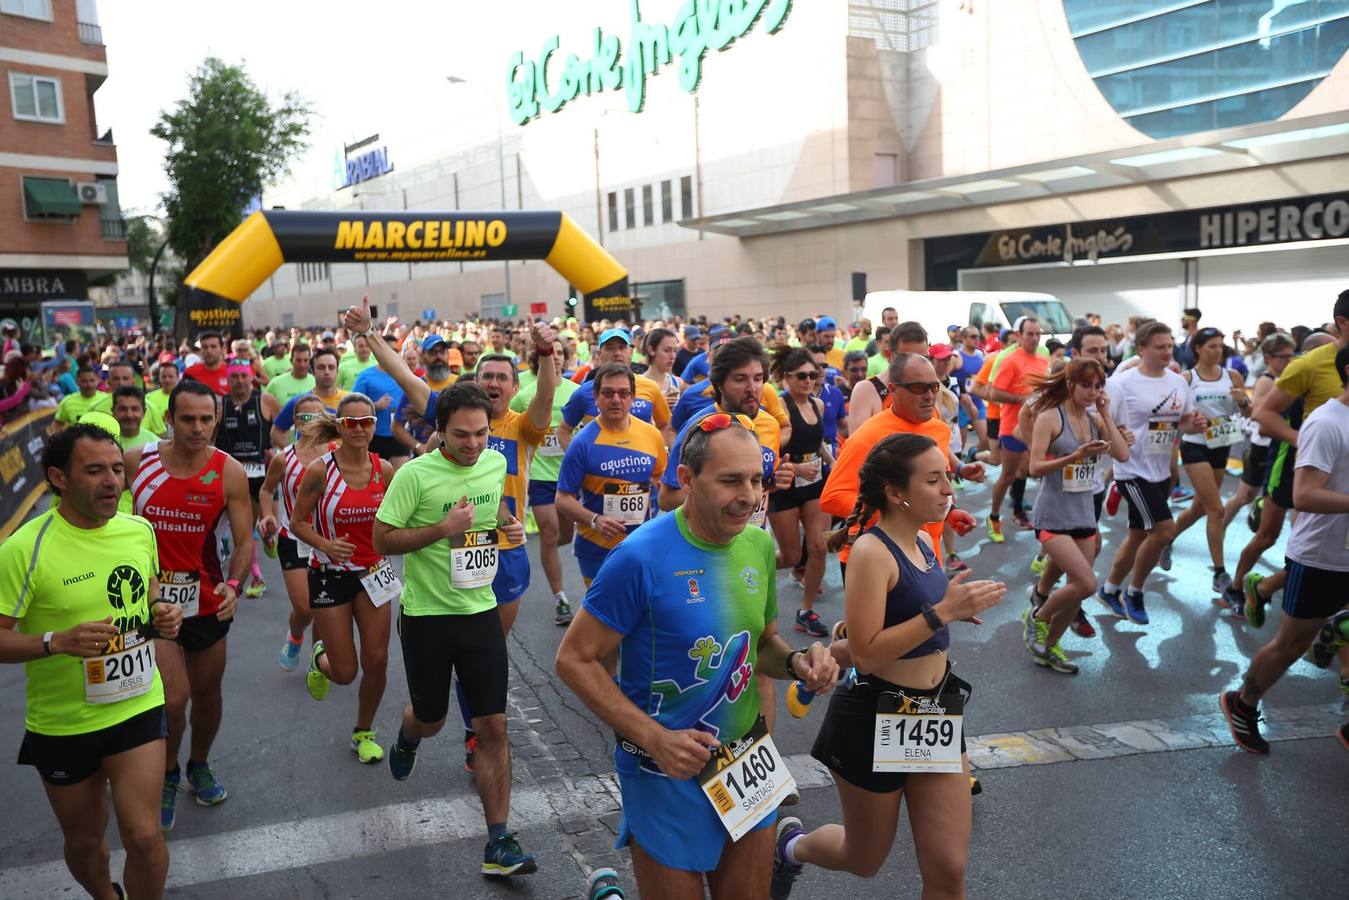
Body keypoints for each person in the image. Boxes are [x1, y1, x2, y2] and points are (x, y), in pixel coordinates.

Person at [555, 415, 839, 900]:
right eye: (730, 480)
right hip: (664, 769)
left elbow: (763, 641)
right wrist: (654, 737)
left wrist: (797, 663)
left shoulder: (756, 545)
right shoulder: (638, 556)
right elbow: (574, 659)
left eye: (755, 479)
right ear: (686, 479)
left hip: (746, 760)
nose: (749, 496)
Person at [771, 433, 1006, 899]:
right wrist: (941, 613)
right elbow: (867, 653)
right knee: (864, 857)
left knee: (948, 871)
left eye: (948, 478)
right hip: (876, 715)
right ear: (897, 492)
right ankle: (791, 849)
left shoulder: (923, 539)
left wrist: (949, 607)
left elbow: (912, 611)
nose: (948, 489)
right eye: (934, 480)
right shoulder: (871, 552)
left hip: (933, 715)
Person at [0, 424, 183, 900]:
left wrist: (162, 613)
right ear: (59, 477)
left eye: (118, 469)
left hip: (136, 704)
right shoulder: (24, 549)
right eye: (95, 470)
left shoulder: (138, 529)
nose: (111, 481)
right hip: (63, 723)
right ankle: (106, 895)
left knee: (143, 836)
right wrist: (53, 642)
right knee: (84, 845)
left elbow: (149, 595)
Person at [373, 382, 537, 877]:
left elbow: (494, 514)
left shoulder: (493, 462)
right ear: (439, 430)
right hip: (427, 618)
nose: (472, 445)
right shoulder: (416, 476)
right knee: (433, 719)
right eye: (461, 435)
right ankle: (408, 734)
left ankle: (498, 843)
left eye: (481, 434)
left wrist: (507, 526)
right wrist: (442, 530)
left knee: (493, 725)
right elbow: (382, 539)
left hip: (479, 611)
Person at [126, 380, 255, 830]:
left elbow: (244, 543)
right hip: (150, 602)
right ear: (169, 419)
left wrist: (234, 585)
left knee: (206, 696)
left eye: (206, 418)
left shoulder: (229, 472)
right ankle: (167, 772)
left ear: (216, 418)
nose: (198, 428)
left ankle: (198, 764)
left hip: (205, 600)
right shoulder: (135, 461)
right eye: (188, 419)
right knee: (174, 699)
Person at [1219, 342, 1349, 753]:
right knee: (1289, 646)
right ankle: (1243, 701)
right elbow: (1306, 495)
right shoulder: (1327, 424)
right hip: (1322, 557)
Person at [1224, 293, 1349, 622]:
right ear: (1342, 323)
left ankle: (1321, 627)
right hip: (1296, 464)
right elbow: (1263, 415)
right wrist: (1302, 440)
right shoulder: (1309, 363)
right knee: (1268, 536)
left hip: (1340, 469)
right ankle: (1239, 587)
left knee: (1330, 551)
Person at [286, 395, 396, 764]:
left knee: (377, 661)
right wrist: (325, 544)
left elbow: (399, 520)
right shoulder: (320, 470)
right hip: (329, 576)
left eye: (367, 421)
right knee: (346, 673)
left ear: (375, 425)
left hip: (375, 574)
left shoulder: (385, 471)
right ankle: (320, 660)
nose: (360, 428)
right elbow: (297, 522)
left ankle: (363, 731)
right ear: (340, 426)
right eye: (352, 423)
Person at [822, 352, 985, 581]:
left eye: (933, 387)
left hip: (927, 556)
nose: (929, 396)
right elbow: (832, 497)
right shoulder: (868, 436)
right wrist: (898, 515)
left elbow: (930, 487)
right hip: (876, 561)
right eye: (918, 388)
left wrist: (948, 512)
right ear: (893, 390)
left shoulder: (939, 429)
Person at [1021, 359, 1128, 672]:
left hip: (1083, 514)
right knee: (1086, 583)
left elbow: (1121, 455)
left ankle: (1048, 646)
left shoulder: (1096, 419)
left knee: (1077, 592)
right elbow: (1035, 467)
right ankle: (1037, 617)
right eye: (1086, 386)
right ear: (1070, 385)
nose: (1093, 392)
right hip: (1053, 515)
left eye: (1098, 386)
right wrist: (1074, 456)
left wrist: (1106, 413)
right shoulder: (1050, 417)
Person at [1097, 322, 1205, 625]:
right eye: (1160, 347)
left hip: (1160, 471)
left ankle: (1108, 589)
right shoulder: (1122, 383)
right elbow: (1104, 422)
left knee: (1136, 536)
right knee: (1163, 531)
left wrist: (1191, 425)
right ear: (1141, 349)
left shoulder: (1178, 383)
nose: (1167, 352)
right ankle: (1135, 591)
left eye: (1170, 346)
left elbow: (1180, 422)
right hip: (1131, 469)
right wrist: (1116, 435)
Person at [556, 363, 667, 588]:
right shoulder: (582, 442)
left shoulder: (651, 434)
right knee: (600, 617)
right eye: (608, 393)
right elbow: (562, 499)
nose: (616, 399)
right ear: (596, 397)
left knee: (640, 612)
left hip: (641, 544)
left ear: (633, 397)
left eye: (623, 393)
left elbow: (661, 481)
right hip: (596, 547)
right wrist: (595, 520)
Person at [1166, 327, 1253, 594]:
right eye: (1212, 346)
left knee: (1199, 508)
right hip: (1195, 447)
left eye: (1220, 346)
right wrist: (1189, 422)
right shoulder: (1187, 378)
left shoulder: (1233, 376)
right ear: (1198, 349)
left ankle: (1165, 539)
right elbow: (1173, 416)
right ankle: (1219, 573)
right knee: (1216, 509)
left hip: (1222, 443)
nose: (1217, 350)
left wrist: (1243, 403)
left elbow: (1250, 412)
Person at [259, 394, 329, 674]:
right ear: (296, 422)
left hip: (327, 541)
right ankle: (296, 635)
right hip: (293, 538)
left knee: (323, 606)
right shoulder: (283, 458)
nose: (311, 423)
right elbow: (266, 490)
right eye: (304, 417)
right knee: (305, 608)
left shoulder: (337, 453)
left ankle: (317, 660)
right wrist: (267, 516)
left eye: (316, 417)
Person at [511, 338, 580, 624]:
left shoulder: (578, 393)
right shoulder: (525, 396)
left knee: (565, 535)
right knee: (550, 534)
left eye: (562, 353)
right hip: (539, 476)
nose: (558, 358)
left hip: (569, 476)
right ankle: (560, 598)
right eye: (554, 354)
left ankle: (551, 551)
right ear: (540, 360)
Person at [767, 346, 834, 637]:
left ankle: (806, 611)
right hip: (784, 487)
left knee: (819, 546)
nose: (809, 381)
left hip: (814, 485)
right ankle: (749, 565)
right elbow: (768, 451)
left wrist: (834, 462)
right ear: (786, 378)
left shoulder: (817, 405)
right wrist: (794, 467)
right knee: (793, 556)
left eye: (814, 375)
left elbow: (817, 443)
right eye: (802, 376)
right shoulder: (778, 409)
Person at [216, 358, 281, 598]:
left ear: (251, 377)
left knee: (269, 526)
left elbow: (283, 431)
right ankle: (256, 576)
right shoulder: (220, 404)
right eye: (235, 377)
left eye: (244, 376)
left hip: (264, 476)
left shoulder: (265, 400)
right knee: (243, 532)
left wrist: (278, 451)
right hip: (235, 477)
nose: (240, 381)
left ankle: (266, 535)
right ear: (228, 379)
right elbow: (212, 439)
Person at [986, 317, 1048, 537]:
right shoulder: (1011, 360)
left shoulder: (1042, 360)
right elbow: (993, 393)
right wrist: (1022, 399)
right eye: (1029, 334)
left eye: (1037, 334)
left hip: (1036, 426)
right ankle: (993, 517)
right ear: (1019, 335)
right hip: (1012, 427)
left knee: (1026, 470)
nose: (1034, 338)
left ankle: (1019, 511)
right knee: (1007, 475)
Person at [559, 328, 673, 442]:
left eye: (622, 347)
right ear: (599, 354)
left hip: (641, 459)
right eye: (610, 348)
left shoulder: (650, 387)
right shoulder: (584, 392)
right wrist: (577, 458)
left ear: (631, 352)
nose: (617, 353)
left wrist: (658, 452)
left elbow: (665, 425)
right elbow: (564, 430)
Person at [847, 321, 929, 433]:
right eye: (907, 358)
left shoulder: (931, 390)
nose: (915, 365)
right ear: (889, 355)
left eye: (922, 359)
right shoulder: (867, 390)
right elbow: (859, 444)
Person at [269, 348, 348, 446]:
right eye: (321, 367)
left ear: (337, 371)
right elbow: (276, 432)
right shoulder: (300, 401)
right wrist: (293, 455)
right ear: (313, 371)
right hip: (309, 460)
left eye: (331, 367)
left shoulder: (349, 400)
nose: (327, 372)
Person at [353, 334, 410, 467]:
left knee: (401, 478)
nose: (393, 354)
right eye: (390, 350)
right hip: (374, 436)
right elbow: (354, 408)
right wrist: (376, 406)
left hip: (399, 435)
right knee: (376, 480)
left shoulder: (405, 373)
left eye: (396, 350)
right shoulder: (366, 376)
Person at [264, 342, 315, 408]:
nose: (302, 365)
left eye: (305, 360)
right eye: (298, 360)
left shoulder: (316, 382)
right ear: (291, 361)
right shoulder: (276, 383)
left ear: (309, 362)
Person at [183, 331, 230, 395]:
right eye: (205, 347)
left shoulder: (232, 372)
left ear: (222, 349)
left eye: (213, 346)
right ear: (200, 350)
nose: (209, 351)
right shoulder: (190, 373)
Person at [143, 358, 178, 437]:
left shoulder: (184, 399)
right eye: (164, 376)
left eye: (170, 376)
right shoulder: (149, 398)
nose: (167, 380)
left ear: (177, 377)